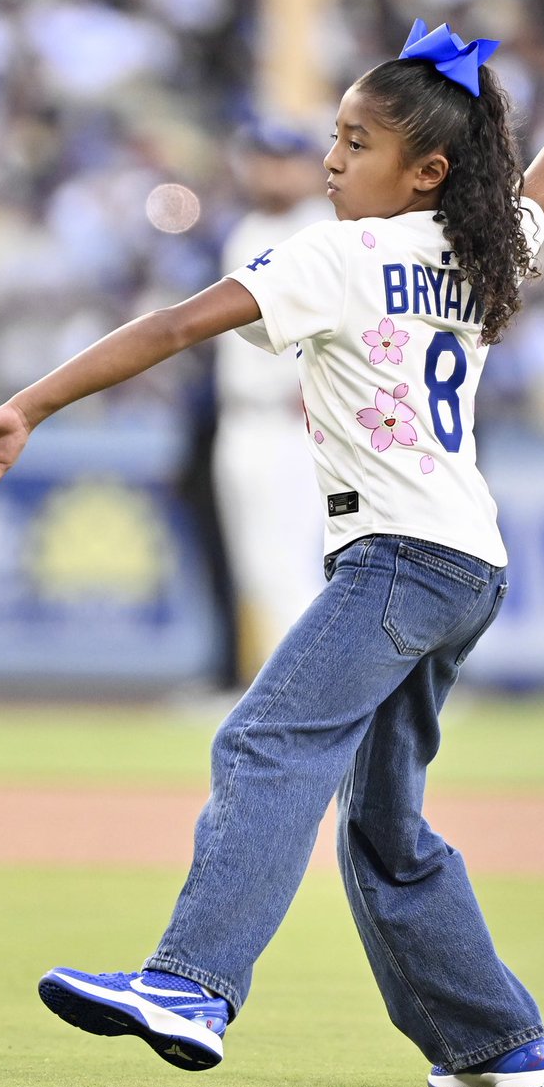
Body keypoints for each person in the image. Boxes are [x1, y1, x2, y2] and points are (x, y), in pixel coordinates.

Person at [0, 0, 544, 1087]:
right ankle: (497, 1040)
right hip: (468, 564)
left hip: (400, 557)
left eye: (356, 143)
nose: (330, 160)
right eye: (335, 137)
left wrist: (26, 405)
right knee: (382, 819)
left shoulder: (344, 254)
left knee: (263, 745)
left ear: (424, 170)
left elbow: (176, 326)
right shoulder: (482, 244)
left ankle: (192, 981)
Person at [214, 118, 331, 683]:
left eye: (284, 160)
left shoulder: (321, 229)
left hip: (292, 426)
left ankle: (315, 699)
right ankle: (284, 695)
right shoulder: (243, 231)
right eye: (263, 159)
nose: (271, 171)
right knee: (258, 572)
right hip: (239, 421)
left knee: (291, 570)